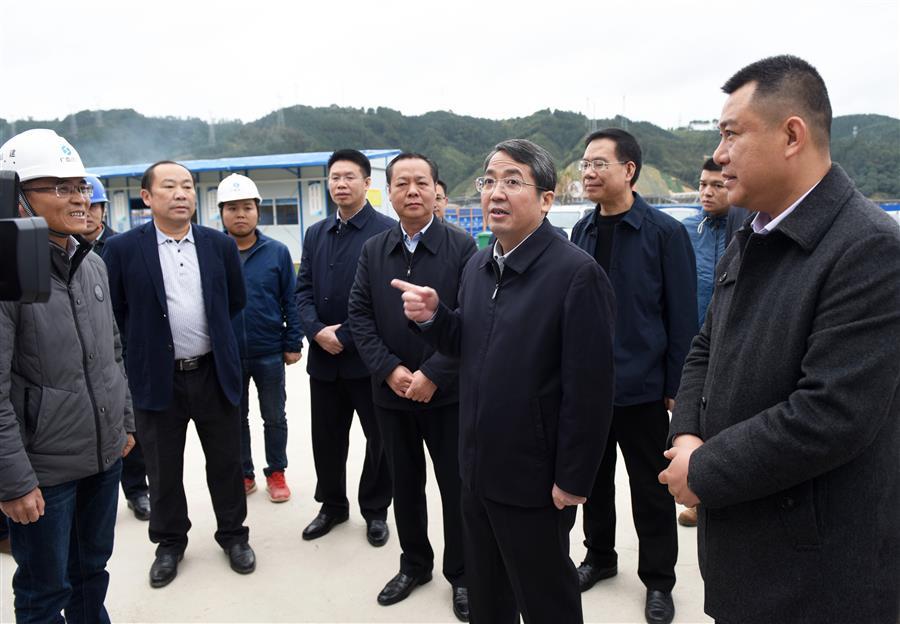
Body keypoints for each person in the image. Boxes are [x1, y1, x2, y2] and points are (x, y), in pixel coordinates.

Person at [660, 55, 900, 624]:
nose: (719, 154)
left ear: (792, 135)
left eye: (731, 133)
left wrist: (702, 470)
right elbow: (705, 346)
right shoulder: (754, 234)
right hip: (742, 545)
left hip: (814, 575)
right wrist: (686, 434)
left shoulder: (868, 248)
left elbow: (829, 415)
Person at [393, 139, 615, 624]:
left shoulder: (576, 274)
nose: (495, 192)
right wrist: (435, 318)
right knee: (487, 595)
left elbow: (591, 392)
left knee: (545, 600)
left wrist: (573, 480)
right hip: (477, 467)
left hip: (535, 479)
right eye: (489, 180)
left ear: (547, 199)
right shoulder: (478, 265)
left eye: (513, 181)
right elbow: (468, 343)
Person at [0, 129, 135, 622]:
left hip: (101, 457)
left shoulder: (92, 264)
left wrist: (124, 422)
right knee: (43, 592)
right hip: (43, 473)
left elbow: (112, 352)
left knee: (91, 573)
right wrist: (13, 482)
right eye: (59, 187)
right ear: (15, 197)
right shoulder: (7, 276)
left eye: (80, 185)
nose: (80, 198)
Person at [103, 160, 255, 588]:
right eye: (169, 186)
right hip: (157, 378)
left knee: (226, 463)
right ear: (147, 197)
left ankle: (234, 535)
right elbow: (116, 313)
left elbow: (234, 301)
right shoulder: (123, 249)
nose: (181, 194)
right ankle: (169, 543)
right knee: (163, 468)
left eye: (187, 186)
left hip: (212, 372)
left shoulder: (218, 245)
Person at [571, 128, 696, 624]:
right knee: (592, 483)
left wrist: (676, 388)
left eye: (599, 163)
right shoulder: (581, 230)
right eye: (585, 163)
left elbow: (682, 317)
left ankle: (659, 581)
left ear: (629, 170)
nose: (588, 172)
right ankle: (599, 557)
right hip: (589, 387)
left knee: (650, 489)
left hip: (643, 389)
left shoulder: (665, 233)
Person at [349, 154, 475, 621]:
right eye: (402, 183)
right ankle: (415, 564)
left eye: (421, 182)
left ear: (435, 188)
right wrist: (389, 370)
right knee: (404, 484)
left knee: (456, 488)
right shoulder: (374, 249)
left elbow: (472, 320)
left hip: (448, 396)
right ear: (389, 192)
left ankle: (462, 574)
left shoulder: (462, 246)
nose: (412, 191)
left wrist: (433, 374)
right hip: (392, 394)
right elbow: (359, 315)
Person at [295, 149, 394, 545]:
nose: (341, 184)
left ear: (367, 183)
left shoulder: (385, 232)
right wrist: (317, 331)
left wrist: (346, 336)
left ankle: (375, 509)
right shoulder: (316, 233)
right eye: (335, 177)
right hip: (323, 360)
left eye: (349, 177)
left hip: (368, 361)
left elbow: (385, 299)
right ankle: (332, 505)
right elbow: (302, 290)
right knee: (327, 439)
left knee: (379, 440)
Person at [217, 173, 302, 502]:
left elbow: (290, 300)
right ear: (221, 212)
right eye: (232, 208)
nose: (240, 214)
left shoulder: (277, 252)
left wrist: (293, 342)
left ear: (258, 211)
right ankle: (244, 472)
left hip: (269, 350)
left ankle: (276, 472)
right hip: (228, 354)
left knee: (274, 416)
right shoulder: (214, 251)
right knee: (235, 419)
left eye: (247, 207)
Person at [677, 160, 746, 528]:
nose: (707, 192)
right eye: (703, 184)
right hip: (695, 340)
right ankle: (695, 494)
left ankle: (711, 494)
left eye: (717, 185)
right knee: (692, 421)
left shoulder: (745, 228)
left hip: (729, 340)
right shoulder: (686, 230)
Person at [85, 173, 153, 523]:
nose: (86, 212)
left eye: (93, 206)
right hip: (77, 353)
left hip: (121, 349)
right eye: (82, 205)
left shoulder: (122, 247)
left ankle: (137, 489)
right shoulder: (55, 249)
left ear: (103, 210)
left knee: (130, 422)